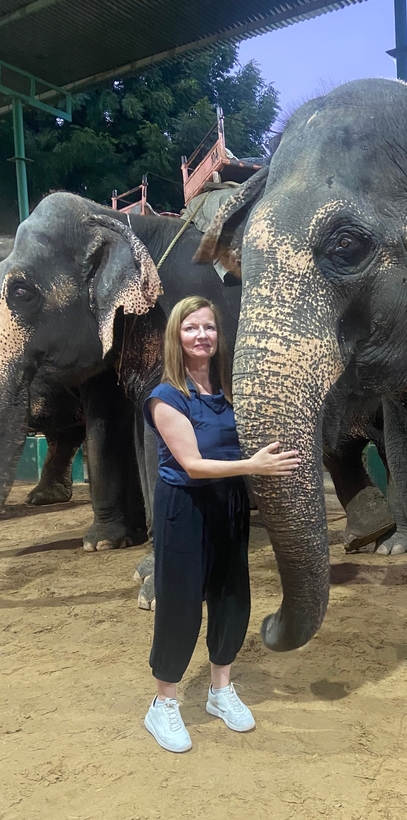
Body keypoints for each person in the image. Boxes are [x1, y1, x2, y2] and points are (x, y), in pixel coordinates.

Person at [142, 295, 300, 753]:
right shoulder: (165, 396)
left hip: (228, 504)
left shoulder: (230, 388)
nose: (201, 336)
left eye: (208, 327)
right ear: (177, 336)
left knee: (232, 597)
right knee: (182, 605)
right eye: (191, 328)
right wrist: (253, 465)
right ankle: (164, 704)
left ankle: (220, 690)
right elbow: (191, 463)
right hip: (184, 507)